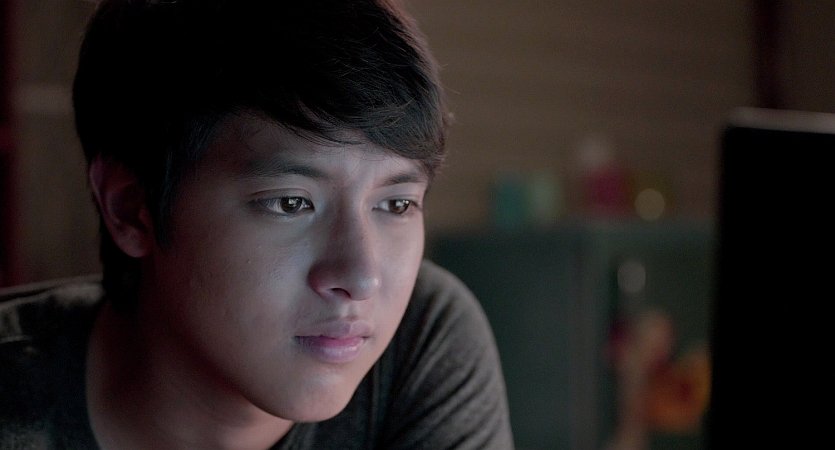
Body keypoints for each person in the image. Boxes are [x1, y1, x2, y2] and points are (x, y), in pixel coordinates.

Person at [0, 1, 514, 448]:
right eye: (292, 203)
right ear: (131, 209)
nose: (362, 278)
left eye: (397, 204)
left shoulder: (420, 340)